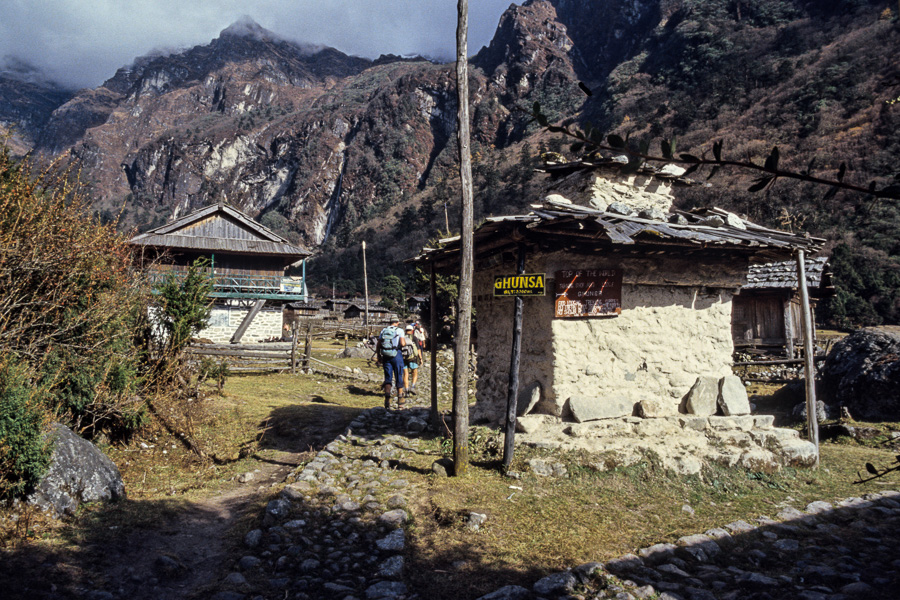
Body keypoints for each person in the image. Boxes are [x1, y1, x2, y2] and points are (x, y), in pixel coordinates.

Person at [376, 317, 407, 409]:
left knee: (388, 377)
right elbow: (402, 343)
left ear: (390, 322)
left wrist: (378, 356)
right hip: (396, 355)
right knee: (398, 375)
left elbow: (378, 344)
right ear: (397, 322)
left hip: (386, 356)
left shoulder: (384, 330)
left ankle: (387, 399)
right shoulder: (400, 330)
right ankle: (400, 400)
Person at [402, 324, 422, 396]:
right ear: (412, 330)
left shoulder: (402, 337)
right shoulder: (414, 338)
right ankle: (412, 386)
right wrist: (420, 358)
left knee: (405, 374)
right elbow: (418, 349)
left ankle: (406, 390)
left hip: (404, 358)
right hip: (413, 358)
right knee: (414, 372)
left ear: (405, 330)